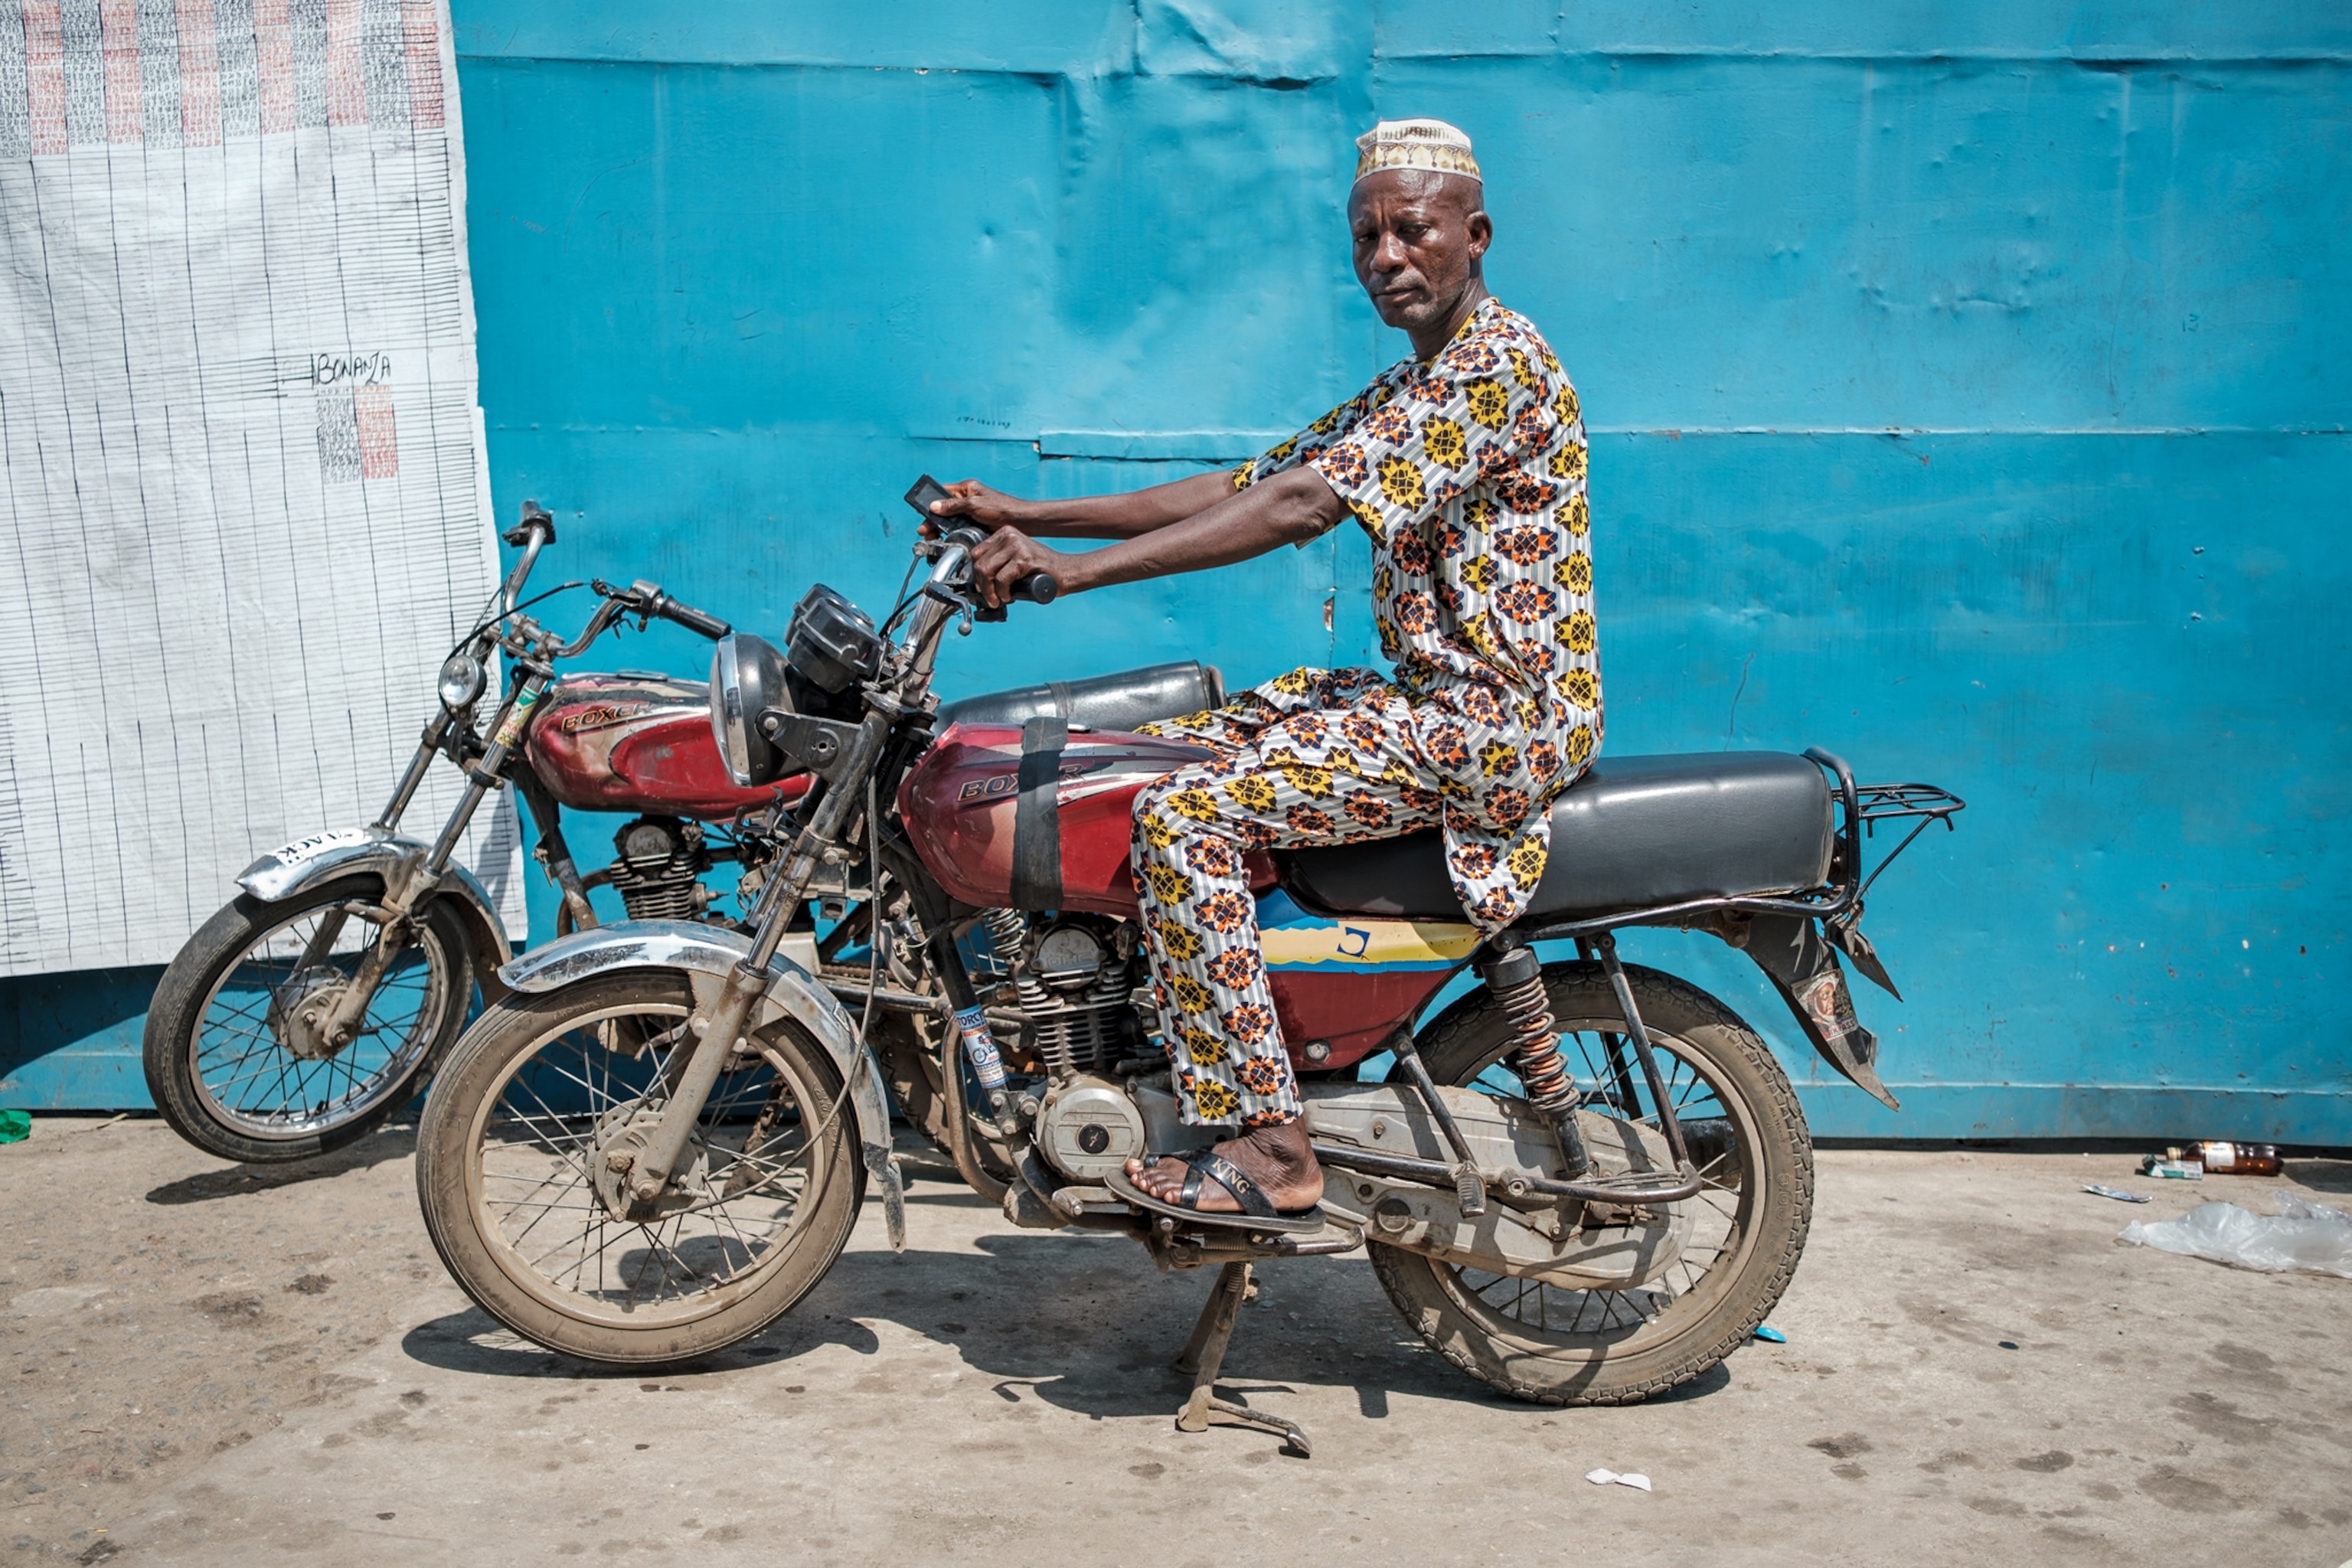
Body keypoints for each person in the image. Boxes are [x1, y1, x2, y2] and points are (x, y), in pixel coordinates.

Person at [929, 119, 1599, 1222]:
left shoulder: (1495, 369)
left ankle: (1274, 1143)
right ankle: (1178, 1033)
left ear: (1475, 237)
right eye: (1366, 236)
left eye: (1412, 231)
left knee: (1185, 819)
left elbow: (1294, 509)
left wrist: (1075, 577)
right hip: (1431, 700)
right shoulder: (1419, 381)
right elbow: (1251, 481)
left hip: (1493, 721)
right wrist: (1027, 513)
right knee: (1166, 751)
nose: (1385, 257)